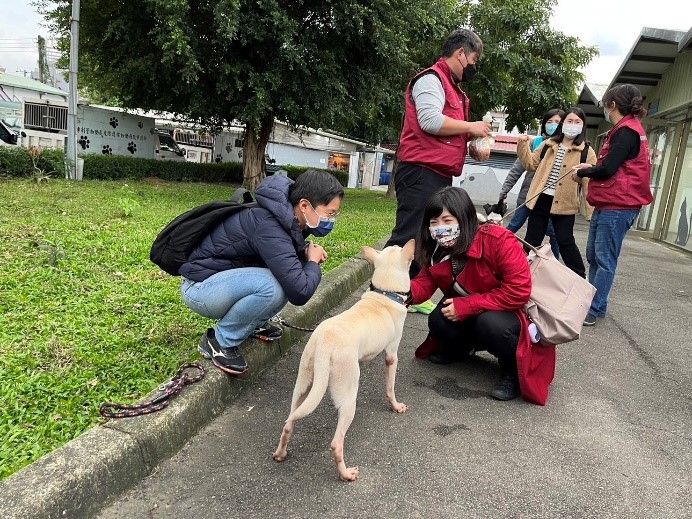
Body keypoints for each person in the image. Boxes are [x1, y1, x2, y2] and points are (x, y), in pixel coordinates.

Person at [179, 170, 344, 375]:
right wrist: (312, 262)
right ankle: (219, 341)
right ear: (304, 205)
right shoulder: (270, 224)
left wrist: (302, 254)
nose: (332, 220)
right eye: (330, 213)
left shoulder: (286, 217)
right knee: (275, 287)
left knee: (286, 275)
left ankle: (252, 323)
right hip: (200, 289)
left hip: (221, 281)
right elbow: (300, 292)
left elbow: (281, 259)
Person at [408, 186, 555, 405]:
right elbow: (423, 285)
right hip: (473, 307)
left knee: (491, 324)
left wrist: (468, 305)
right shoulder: (435, 249)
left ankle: (512, 373)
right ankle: (462, 350)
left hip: (509, 312)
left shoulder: (498, 239)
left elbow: (519, 292)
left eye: (447, 221)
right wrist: (397, 289)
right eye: (434, 222)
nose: (440, 228)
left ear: (465, 217)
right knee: (438, 320)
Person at [386, 28, 491, 280]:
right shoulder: (431, 79)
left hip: (437, 173)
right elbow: (430, 121)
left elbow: (445, 130)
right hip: (421, 172)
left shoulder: (453, 88)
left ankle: (411, 291)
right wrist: (471, 127)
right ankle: (383, 292)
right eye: (474, 61)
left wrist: (469, 142)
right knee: (408, 234)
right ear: (461, 53)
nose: (473, 68)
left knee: (427, 235)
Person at [570, 84, 653, 326]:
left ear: (612, 104)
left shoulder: (626, 132)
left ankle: (593, 308)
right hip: (611, 203)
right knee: (594, 255)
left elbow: (608, 168)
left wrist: (586, 170)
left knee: (604, 258)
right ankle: (595, 303)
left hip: (619, 205)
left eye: (605, 104)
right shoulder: (626, 129)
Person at [517, 107, 597, 278]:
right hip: (541, 199)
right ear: (563, 123)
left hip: (566, 203)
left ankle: (579, 277)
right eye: (569, 121)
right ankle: (518, 275)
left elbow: (588, 183)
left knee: (565, 241)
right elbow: (531, 164)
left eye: (577, 122)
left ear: (583, 126)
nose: (573, 125)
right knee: (532, 240)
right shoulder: (549, 144)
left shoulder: (586, 151)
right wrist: (522, 144)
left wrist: (591, 211)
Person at [498, 109, 565, 259]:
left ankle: (553, 266)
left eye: (557, 122)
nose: (553, 125)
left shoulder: (566, 147)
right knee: (513, 226)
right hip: (527, 198)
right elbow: (517, 168)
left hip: (549, 202)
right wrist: (504, 191)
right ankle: (495, 251)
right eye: (549, 122)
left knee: (554, 235)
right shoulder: (537, 143)